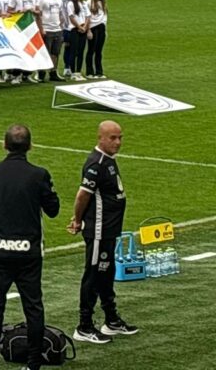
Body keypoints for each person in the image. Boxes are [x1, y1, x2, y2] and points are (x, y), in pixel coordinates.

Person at [0, 124, 61, 370]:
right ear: (30, 146)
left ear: (4, 145)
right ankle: (33, 364)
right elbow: (53, 210)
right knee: (33, 307)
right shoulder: (39, 175)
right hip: (29, 252)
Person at [68, 121, 138, 343]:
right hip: (98, 230)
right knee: (93, 275)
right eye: (113, 138)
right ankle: (84, 326)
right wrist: (77, 220)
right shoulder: (96, 164)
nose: (118, 142)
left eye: (120, 137)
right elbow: (82, 195)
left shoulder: (108, 160)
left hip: (108, 230)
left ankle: (111, 320)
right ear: (100, 138)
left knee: (107, 273)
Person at [37, 0, 64, 82]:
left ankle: (53, 72)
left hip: (57, 29)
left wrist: (60, 25)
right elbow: (38, 15)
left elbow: (60, 13)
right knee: (45, 53)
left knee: (55, 53)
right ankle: (41, 73)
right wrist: (41, 29)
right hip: (46, 29)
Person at [65, 0, 91, 81]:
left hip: (83, 28)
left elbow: (88, 16)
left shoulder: (83, 3)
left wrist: (85, 27)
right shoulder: (71, 4)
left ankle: (78, 72)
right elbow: (71, 17)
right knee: (74, 51)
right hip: (74, 29)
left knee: (81, 51)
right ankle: (73, 72)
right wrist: (79, 26)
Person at [86, 0, 109, 79]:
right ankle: (89, 72)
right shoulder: (89, 2)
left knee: (99, 51)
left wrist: (105, 29)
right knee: (91, 50)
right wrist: (88, 30)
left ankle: (99, 72)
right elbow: (87, 17)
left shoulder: (103, 3)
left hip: (101, 27)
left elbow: (104, 17)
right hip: (93, 27)